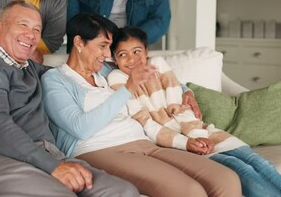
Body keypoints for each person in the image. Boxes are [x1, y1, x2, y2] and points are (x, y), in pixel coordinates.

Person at [0, 0, 139, 197]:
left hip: (48, 157)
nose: (31, 35)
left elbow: (70, 74)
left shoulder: (28, 68)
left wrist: (117, 68)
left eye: (37, 30)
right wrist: (53, 167)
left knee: (124, 191)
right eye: (23, 25)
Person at [41, 12, 242, 197]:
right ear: (79, 42)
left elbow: (149, 68)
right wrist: (127, 88)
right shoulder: (56, 79)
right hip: (99, 150)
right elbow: (80, 128)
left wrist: (185, 90)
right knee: (190, 191)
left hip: (144, 142)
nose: (106, 54)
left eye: (109, 48)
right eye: (102, 46)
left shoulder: (104, 72)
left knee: (226, 179)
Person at [107, 26, 281, 197]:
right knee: (241, 170)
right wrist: (188, 142)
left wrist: (199, 134)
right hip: (177, 145)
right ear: (114, 59)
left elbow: (181, 107)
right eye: (123, 54)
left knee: (258, 163)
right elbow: (146, 125)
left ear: (146, 51)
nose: (132, 59)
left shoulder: (158, 65)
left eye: (137, 51)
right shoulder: (118, 80)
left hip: (201, 130)